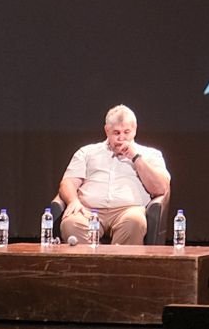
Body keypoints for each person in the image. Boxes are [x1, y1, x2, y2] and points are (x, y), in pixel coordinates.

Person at [58, 104, 171, 244]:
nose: (121, 138)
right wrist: (73, 201)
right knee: (70, 223)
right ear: (107, 130)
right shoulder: (87, 152)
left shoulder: (150, 154)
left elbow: (161, 188)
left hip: (128, 210)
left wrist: (136, 158)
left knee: (135, 222)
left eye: (126, 132)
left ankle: (118, 265)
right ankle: (93, 265)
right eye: (116, 133)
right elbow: (67, 182)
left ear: (135, 130)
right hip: (88, 210)